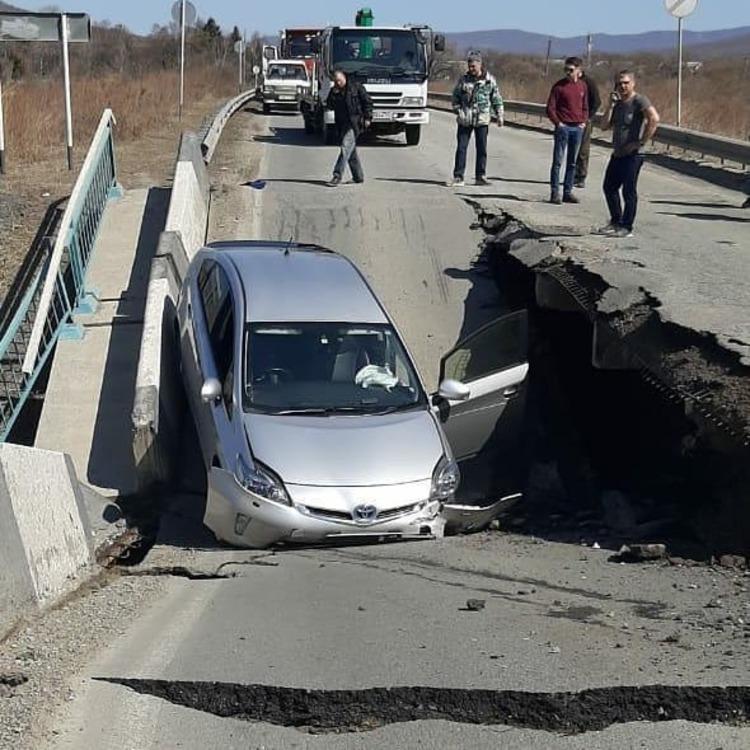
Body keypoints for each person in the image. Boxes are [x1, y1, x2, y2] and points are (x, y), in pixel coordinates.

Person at [599, 69, 660, 238]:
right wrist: (609, 105)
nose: (622, 86)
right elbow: (604, 126)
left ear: (633, 83)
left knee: (628, 190)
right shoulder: (617, 103)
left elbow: (654, 119)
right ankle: (615, 221)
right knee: (609, 187)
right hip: (618, 153)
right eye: (619, 83)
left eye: (626, 82)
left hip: (634, 155)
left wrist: (640, 142)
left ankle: (627, 226)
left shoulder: (640, 101)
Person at [448, 51, 504, 187]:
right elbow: (455, 96)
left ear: (480, 65)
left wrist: (500, 115)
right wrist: (458, 110)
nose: (471, 69)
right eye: (469, 66)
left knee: (482, 149)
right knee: (461, 148)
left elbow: (496, 98)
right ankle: (458, 176)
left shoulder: (489, 81)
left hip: (482, 119)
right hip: (465, 119)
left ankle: (480, 176)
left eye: (473, 66)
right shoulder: (463, 80)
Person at [546, 57, 589, 204]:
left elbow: (585, 106)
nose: (568, 73)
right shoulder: (559, 87)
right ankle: (554, 193)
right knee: (557, 161)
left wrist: (583, 121)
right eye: (566, 70)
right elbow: (550, 108)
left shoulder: (583, 86)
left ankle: (567, 192)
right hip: (563, 127)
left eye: (571, 70)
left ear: (579, 71)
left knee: (572, 162)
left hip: (577, 128)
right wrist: (558, 123)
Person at [325, 69, 373, 187]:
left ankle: (337, 175)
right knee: (350, 150)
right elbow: (329, 105)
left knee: (345, 147)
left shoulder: (356, 87)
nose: (338, 84)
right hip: (342, 124)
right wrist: (334, 94)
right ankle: (358, 176)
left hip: (355, 123)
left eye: (339, 81)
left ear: (344, 77)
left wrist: (368, 118)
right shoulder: (334, 91)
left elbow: (367, 102)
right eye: (335, 82)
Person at [574, 67, 601, 188]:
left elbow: (597, 101)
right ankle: (571, 175)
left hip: (585, 120)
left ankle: (581, 176)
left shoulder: (588, 82)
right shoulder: (569, 82)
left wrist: (589, 117)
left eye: (572, 69)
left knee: (583, 150)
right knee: (572, 149)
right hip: (571, 120)